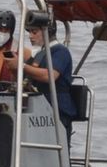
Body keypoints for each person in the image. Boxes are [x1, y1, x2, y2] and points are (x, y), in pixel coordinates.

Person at [21, 11, 77, 142]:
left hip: (58, 110)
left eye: (34, 32)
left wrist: (21, 66)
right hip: (39, 111)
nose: (30, 36)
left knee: (59, 146)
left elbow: (49, 76)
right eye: (29, 32)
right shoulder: (39, 54)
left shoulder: (60, 51)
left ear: (47, 32)